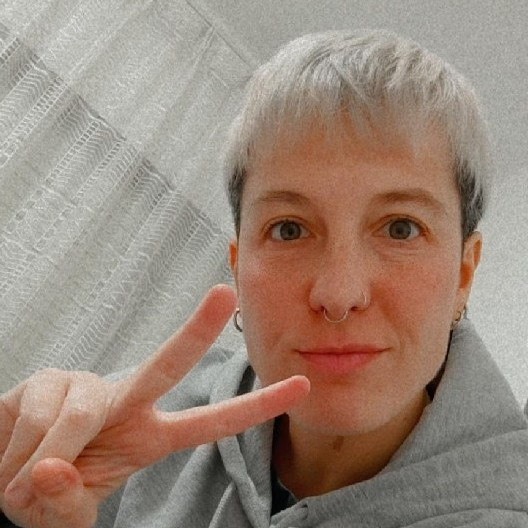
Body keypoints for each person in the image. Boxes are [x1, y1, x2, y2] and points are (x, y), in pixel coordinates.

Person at [1, 29, 527, 528]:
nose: (338, 294)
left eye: (401, 228)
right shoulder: (144, 424)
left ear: (463, 273)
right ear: (237, 266)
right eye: (289, 229)